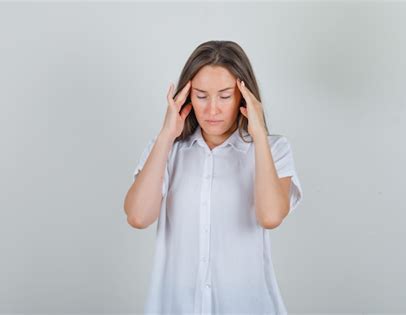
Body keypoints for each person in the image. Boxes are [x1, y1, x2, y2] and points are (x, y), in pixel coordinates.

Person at [123, 40, 303, 314]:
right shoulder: (167, 151)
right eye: (202, 96)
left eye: (225, 96)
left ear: (244, 97)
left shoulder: (273, 150)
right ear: (187, 97)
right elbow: (138, 217)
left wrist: (258, 135)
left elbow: (270, 216)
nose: (212, 110)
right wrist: (166, 135)